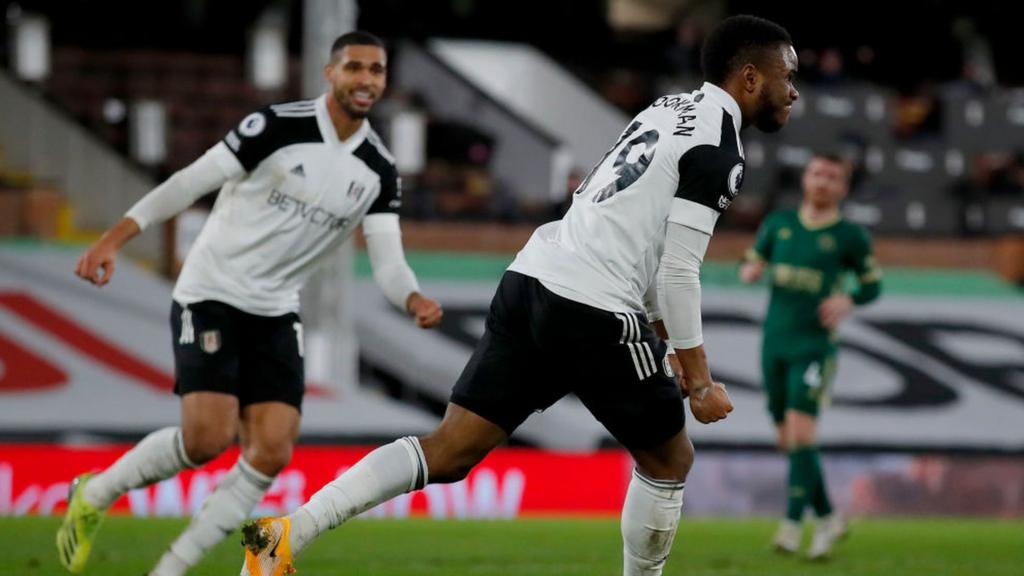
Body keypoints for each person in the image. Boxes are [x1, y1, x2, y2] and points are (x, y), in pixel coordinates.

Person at [240, 15, 798, 576]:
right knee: (669, 457)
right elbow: (679, 270)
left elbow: (631, 225)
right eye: (787, 75)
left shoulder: (664, 109)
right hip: (593, 303)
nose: (794, 90)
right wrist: (697, 380)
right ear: (749, 78)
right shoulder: (719, 147)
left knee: (452, 448)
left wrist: (662, 335)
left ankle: (288, 532)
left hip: (533, 279)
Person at [56, 31, 442, 576]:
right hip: (212, 291)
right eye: (355, 67)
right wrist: (115, 237)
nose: (367, 80)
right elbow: (191, 181)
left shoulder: (378, 170)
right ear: (330, 74)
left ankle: (174, 569)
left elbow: (387, 259)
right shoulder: (278, 127)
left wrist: (412, 297)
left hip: (276, 309)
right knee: (207, 438)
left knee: (271, 451)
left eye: (376, 71)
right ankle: (95, 492)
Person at [739, 153, 882, 559]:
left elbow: (872, 285)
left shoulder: (849, 236)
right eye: (817, 173)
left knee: (803, 433)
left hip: (815, 346)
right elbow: (753, 258)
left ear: (843, 188)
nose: (823, 182)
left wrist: (848, 298)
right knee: (788, 440)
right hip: (774, 343)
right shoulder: (780, 224)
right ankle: (828, 519)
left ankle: (790, 526)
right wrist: (748, 269)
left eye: (832, 177)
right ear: (805, 179)